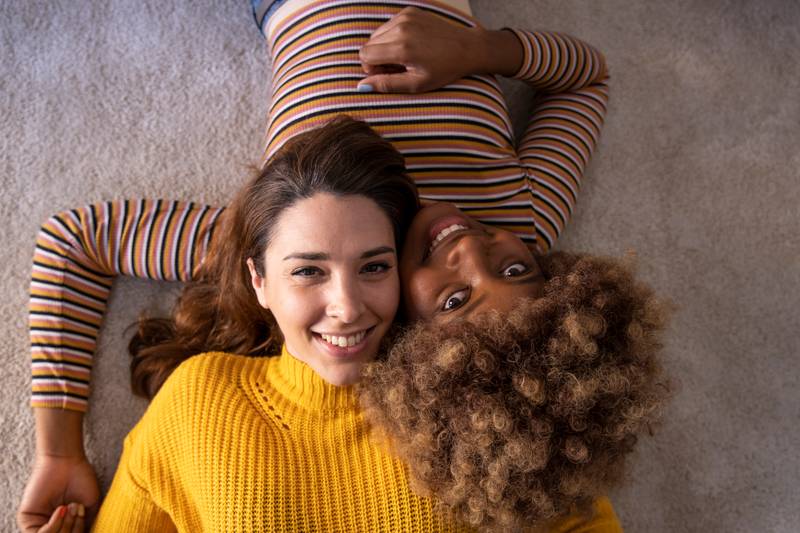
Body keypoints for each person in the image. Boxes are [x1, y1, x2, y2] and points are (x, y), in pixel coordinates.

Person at [18, 1, 622, 531]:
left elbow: (74, 243)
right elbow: (587, 77)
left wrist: (59, 453)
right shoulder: (524, 217)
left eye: (456, 301)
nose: (469, 253)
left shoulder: (279, 239)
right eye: (515, 273)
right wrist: (481, 48)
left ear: (416, 346)